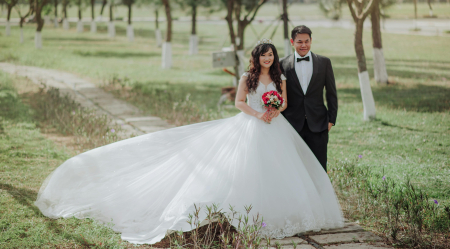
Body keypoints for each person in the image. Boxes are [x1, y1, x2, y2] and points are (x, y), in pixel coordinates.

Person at [35, 40, 344, 245]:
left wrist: (273, 111)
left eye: (271, 54)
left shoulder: (280, 79)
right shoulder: (246, 77)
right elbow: (238, 103)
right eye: (264, 55)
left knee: (281, 172)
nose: (268, 58)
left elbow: (286, 103)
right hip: (250, 124)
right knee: (244, 170)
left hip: (274, 127)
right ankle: (234, 218)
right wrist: (256, 114)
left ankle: (281, 215)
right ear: (256, 57)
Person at [280, 25, 338, 172]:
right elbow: (279, 94)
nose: (304, 45)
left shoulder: (324, 62)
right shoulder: (282, 64)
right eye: (299, 42)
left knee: (319, 168)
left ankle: (320, 195)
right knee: (294, 169)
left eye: (307, 41)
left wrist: (331, 120)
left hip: (319, 124)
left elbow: (331, 93)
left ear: (311, 41)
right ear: (292, 42)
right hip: (292, 125)